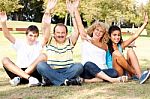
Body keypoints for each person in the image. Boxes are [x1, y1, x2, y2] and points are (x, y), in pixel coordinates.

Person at [72, 0, 128, 83]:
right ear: (93, 30)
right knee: (88, 64)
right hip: (88, 70)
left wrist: (91, 40)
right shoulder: (85, 39)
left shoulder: (104, 45)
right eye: (97, 30)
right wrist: (75, 9)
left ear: (103, 34)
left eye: (101, 31)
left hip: (103, 70)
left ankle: (87, 81)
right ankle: (111, 80)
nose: (98, 32)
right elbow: (80, 25)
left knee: (114, 72)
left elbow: (99, 44)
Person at [36, 0, 83, 86]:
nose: (60, 35)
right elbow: (44, 27)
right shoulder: (50, 40)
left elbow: (77, 31)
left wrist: (72, 13)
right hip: (52, 69)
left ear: (66, 33)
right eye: (58, 33)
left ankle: (53, 80)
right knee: (41, 66)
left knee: (79, 66)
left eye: (63, 33)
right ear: (54, 33)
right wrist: (48, 10)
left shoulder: (70, 41)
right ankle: (67, 81)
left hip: (68, 69)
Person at [0, 9, 50, 86]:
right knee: (4, 59)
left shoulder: (38, 44)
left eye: (35, 36)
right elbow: (7, 35)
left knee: (43, 56)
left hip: (34, 73)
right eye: (30, 35)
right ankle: (27, 78)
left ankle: (20, 78)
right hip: (19, 71)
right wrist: (3, 22)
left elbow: (46, 37)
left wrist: (48, 24)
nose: (32, 38)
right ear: (26, 35)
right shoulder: (20, 43)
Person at [106, 12, 150, 84]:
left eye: (119, 35)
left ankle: (139, 76)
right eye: (114, 35)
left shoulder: (121, 45)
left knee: (130, 50)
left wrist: (145, 23)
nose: (117, 37)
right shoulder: (106, 46)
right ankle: (137, 74)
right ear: (109, 36)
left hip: (125, 71)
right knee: (116, 53)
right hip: (116, 72)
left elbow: (134, 36)